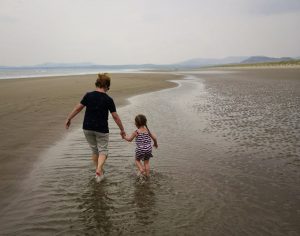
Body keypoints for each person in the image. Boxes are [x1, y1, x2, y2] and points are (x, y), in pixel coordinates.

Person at [65, 73, 126, 182]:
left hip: (87, 127)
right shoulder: (108, 99)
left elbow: (78, 108)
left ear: (97, 84)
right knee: (103, 151)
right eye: (109, 87)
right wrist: (122, 129)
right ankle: (99, 168)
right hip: (101, 129)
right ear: (106, 86)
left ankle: (99, 173)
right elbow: (115, 116)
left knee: (94, 151)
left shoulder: (88, 95)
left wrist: (69, 118)